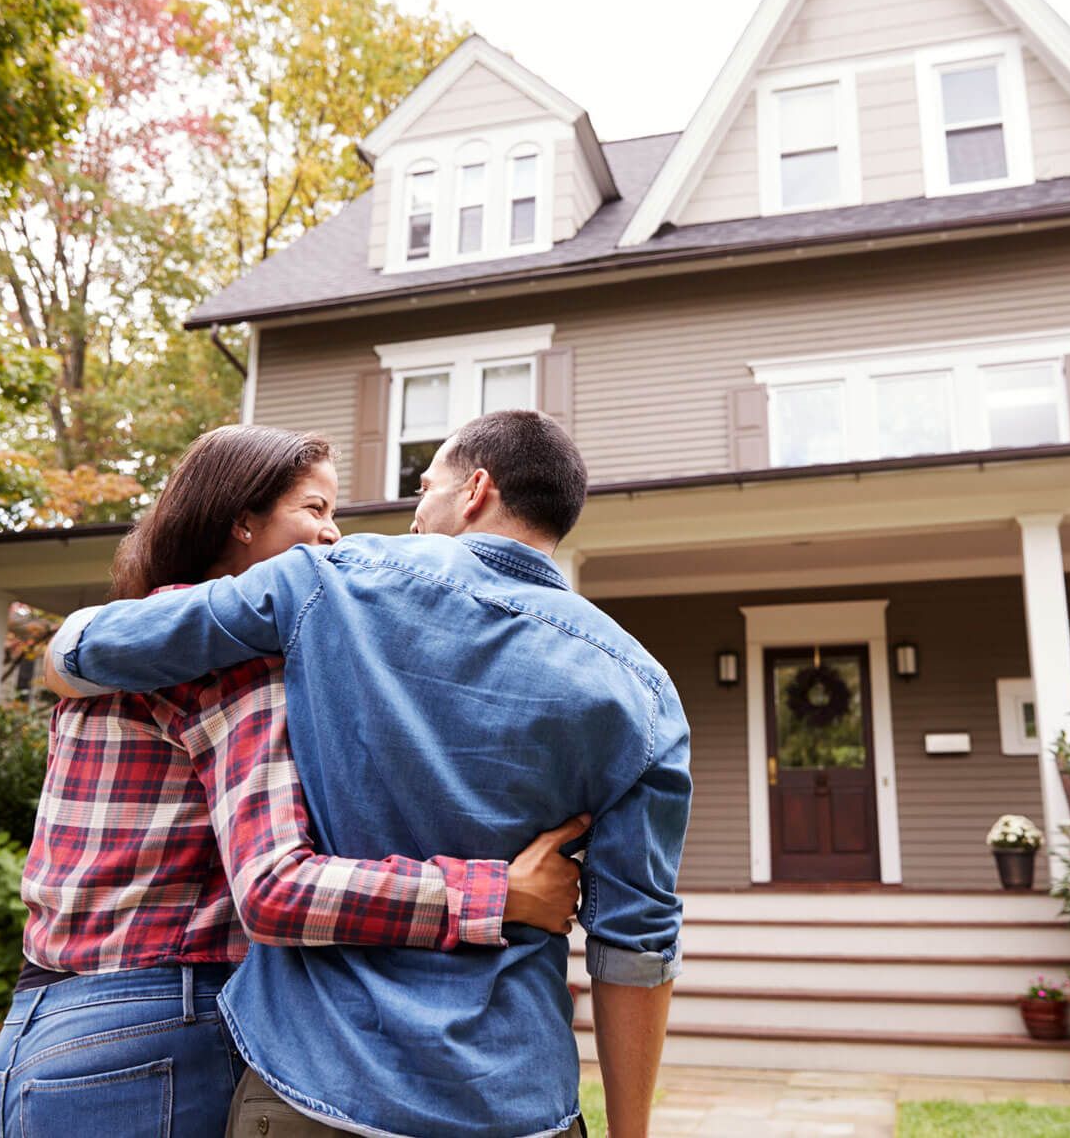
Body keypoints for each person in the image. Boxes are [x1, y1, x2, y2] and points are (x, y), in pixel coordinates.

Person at [47, 410, 691, 1138]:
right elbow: (636, 943)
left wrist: (64, 651)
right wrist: (629, 1130)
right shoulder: (644, 690)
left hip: (315, 1085)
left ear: (474, 489)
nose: (414, 515)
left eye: (425, 488)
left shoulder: (327, 581)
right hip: (512, 1097)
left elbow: (95, 647)